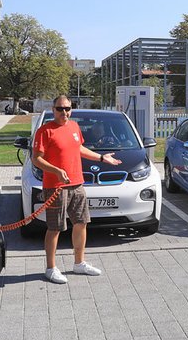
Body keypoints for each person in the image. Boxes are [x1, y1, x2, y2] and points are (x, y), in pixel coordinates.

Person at [31, 95, 122, 284]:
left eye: (67, 108)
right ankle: (50, 268)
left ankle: (79, 263)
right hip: (56, 187)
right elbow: (36, 159)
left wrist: (101, 158)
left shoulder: (73, 127)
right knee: (55, 227)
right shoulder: (44, 131)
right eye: (60, 109)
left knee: (81, 222)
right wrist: (56, 171)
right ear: (52, 109)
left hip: (77, 183)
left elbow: (79, 148)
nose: (64, 112)